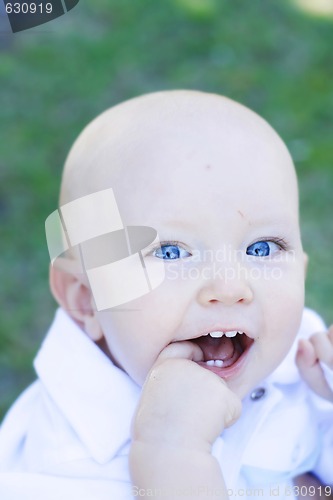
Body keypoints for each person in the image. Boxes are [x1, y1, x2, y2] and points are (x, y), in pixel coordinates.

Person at [0, 90, 332, 499]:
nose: (229, 288)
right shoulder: (60, 471)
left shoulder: (298, 361)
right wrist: (172, 455)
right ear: (87, 297)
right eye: (171, 252)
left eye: (261, 248)